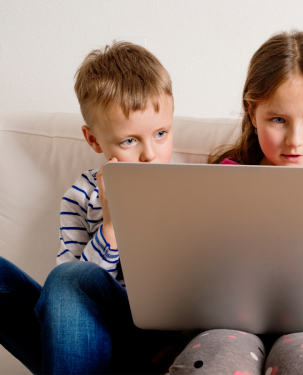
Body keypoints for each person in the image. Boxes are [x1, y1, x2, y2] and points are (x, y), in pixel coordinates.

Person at [168, 30, 303, 375]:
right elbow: (193, 266)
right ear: (252, 111)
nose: (295, 141)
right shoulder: (224, 178)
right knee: (214, 361)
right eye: (278, 120)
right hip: (232, 327)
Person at [0, 42, 178, 374]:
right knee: (66, 278)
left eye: (161, 134)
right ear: (93, 139)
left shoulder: (188, 190)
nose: (150, 154)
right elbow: (66, 294)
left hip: (153, 344)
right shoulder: (81, 196)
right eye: (129, 141)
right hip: (84, 339)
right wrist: (110, 228)